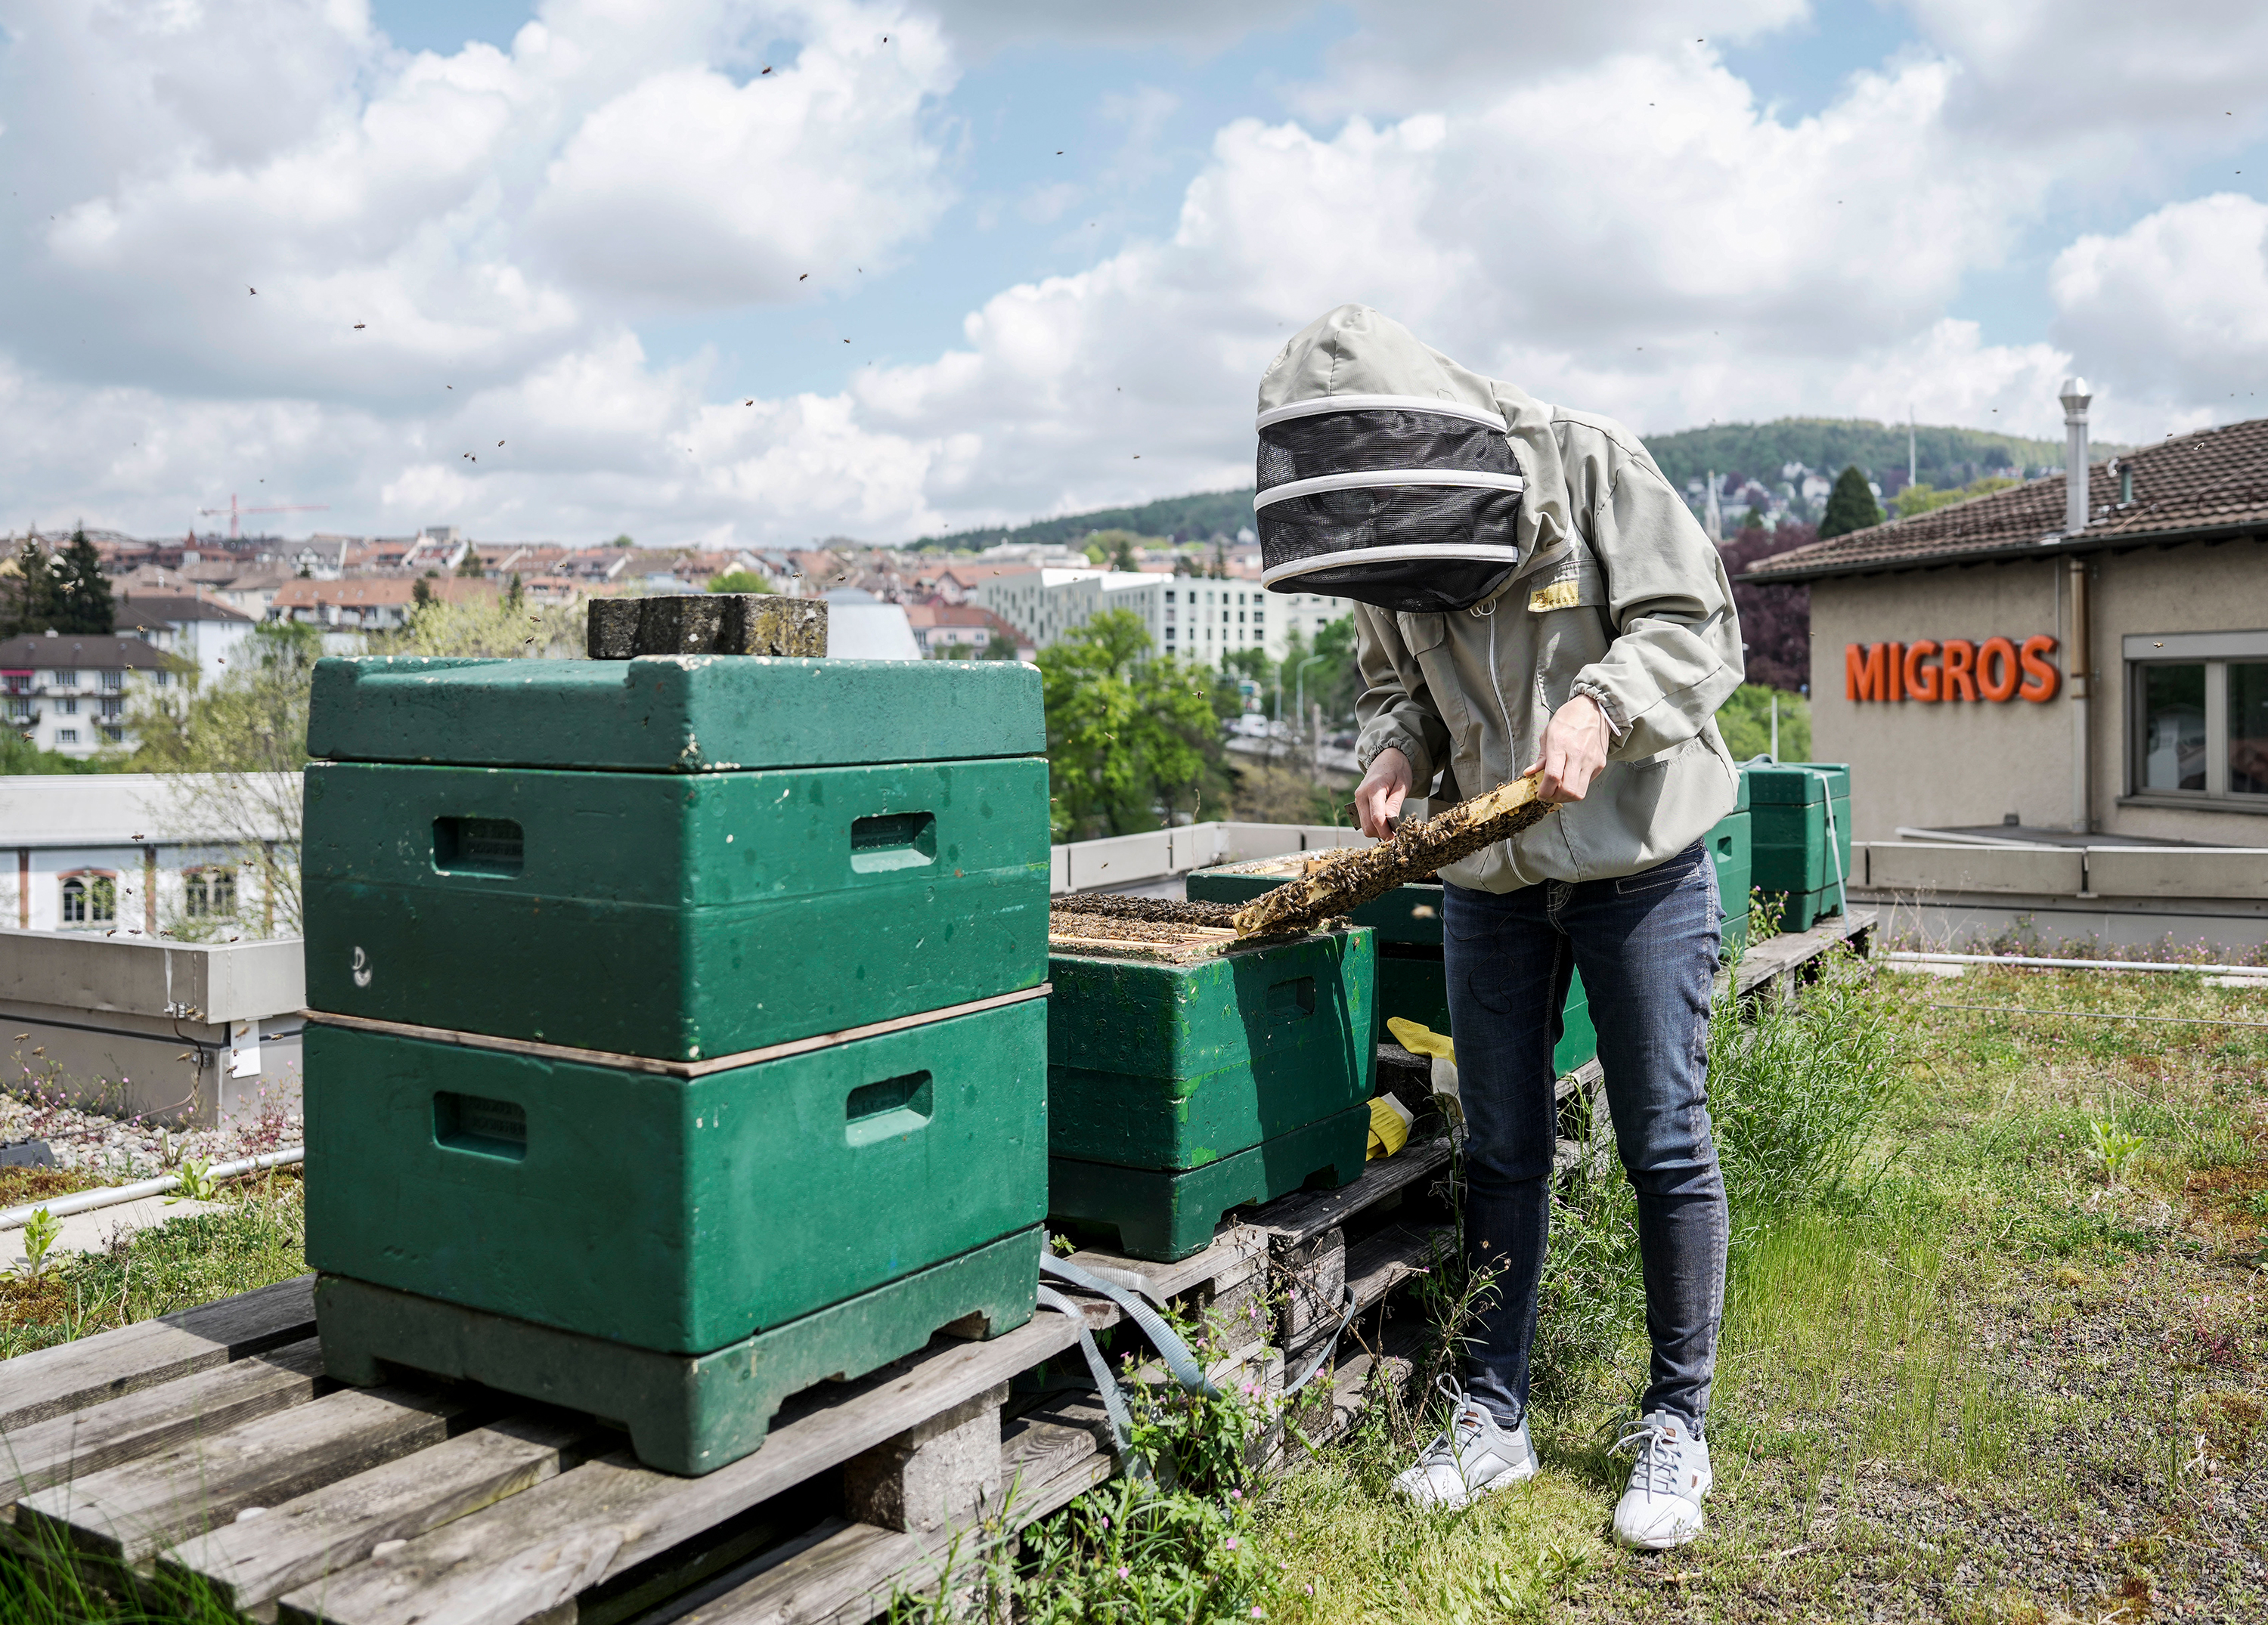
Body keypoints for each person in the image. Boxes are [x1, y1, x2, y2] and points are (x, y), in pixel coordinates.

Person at [1252, 305, 1743, 1549]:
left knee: (1664, 1139)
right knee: (1505, 1147)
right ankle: (1491, 1411)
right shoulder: (1383, 525)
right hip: (1489, 874)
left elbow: (1698, 626)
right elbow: (1393, 684)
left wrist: (1603, 700)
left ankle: (1677, 1421)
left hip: (1639, 857)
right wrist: (1393, 752)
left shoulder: (1586, 462)